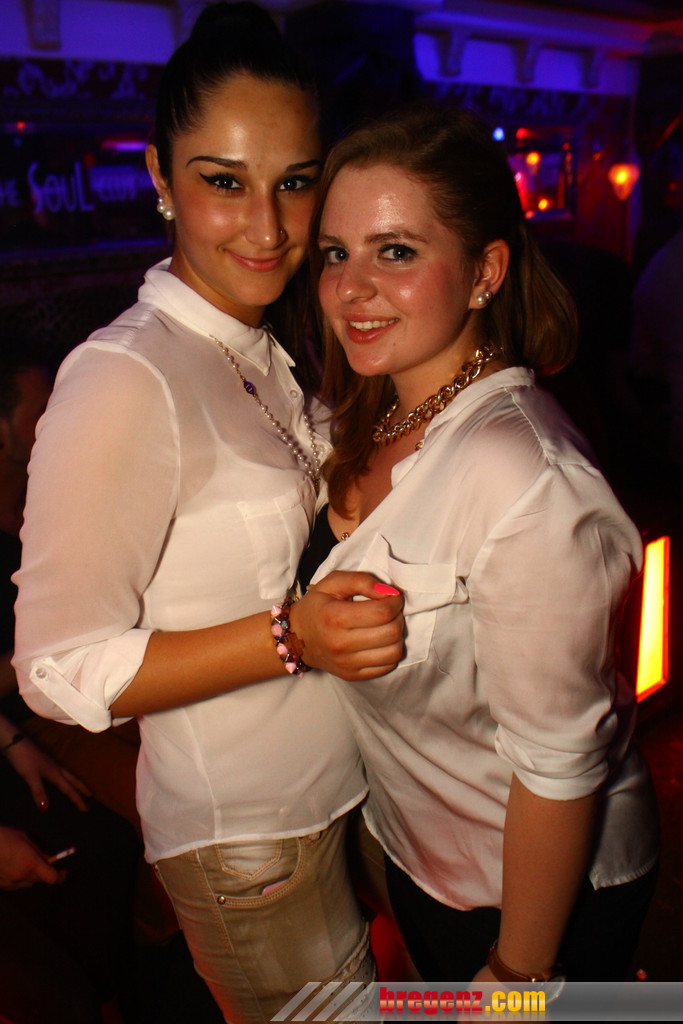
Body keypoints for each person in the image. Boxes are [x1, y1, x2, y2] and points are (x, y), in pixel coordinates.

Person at [12, 5, 404, 1022]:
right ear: (159, 175)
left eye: (294, 183)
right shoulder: (124, 376)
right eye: (224, 182)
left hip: (335, 790)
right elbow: (56, 667)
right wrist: (290, 636)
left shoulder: (260, 345)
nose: (267, 228)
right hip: (247, 841)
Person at [302, 103, 660, 983]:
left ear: (484, 272)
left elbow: (558, 766)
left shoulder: (519, 476)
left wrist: (514, 981)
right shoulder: (378, 408)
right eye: (335, 253)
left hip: (528, 901)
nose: (350, 288)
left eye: (395, 251)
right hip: (418, 853)